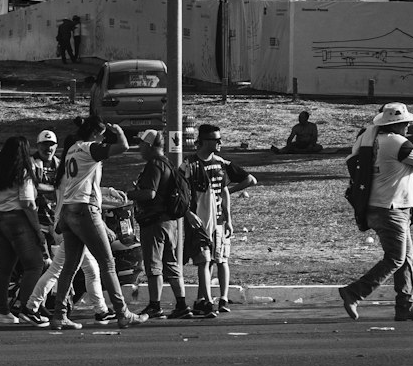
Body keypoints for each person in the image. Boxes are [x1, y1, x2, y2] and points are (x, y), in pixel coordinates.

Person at [339, 101, 413, 322]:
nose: (408, 127)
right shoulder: (399, 144)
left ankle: (405, 305)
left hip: (378, 205)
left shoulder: (368, 140)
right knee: (395, 258)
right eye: (405, 124)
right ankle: (355, 292)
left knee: (406, 258)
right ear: (397, 125)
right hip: (391, 208)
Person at [49, 113, 144, 329]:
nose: (103, 140)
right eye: (102, 136)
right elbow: (123, 147)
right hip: (84, 211)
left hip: (68, 211)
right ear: (95, 134)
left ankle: (59, 315)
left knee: (70, 266)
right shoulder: (89, 148)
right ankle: (123, 313)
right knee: (107, 263)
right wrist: (119, 131)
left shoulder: (72, 149)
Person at [23, 128, 109, 326]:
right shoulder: (70, 171)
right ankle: (32, 306)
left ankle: (100, 310)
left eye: (52, 144)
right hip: (70, 223)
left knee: (85, 269)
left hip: (64, 222)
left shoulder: (64, 169)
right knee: (63, 269)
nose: (49, 148)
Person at [183, 124, 257, 317]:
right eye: (216, 140)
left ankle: (217, 299)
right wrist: (188, 214)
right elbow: (181, 192)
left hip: (219, 221)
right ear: (204, 142)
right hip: (199, 221)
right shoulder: (190, 164)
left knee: (220, 259)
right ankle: (205, 301)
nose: (220, 143)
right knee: (204, 261)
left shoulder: (220, 163)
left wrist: (229, 218)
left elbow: (225, 190)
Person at [0, 135, 48, 325]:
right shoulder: (23, 171)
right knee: (34, 265)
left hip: (0, 219)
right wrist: (38, 231)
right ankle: (27, 309)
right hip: (19, 220)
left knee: (3, 269)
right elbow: (28, 203)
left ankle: (2, 311)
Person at [130, 128, 193, 319]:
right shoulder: (168, 164)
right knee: (171, 263)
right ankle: (181, 304)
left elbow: (150, 193)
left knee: (154, 265)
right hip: (169, 223)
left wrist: (128, 194)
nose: (139, 147)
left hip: (154, 223)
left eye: (141, 143)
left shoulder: (154, 165)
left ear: (149, 145)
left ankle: (155, 305)